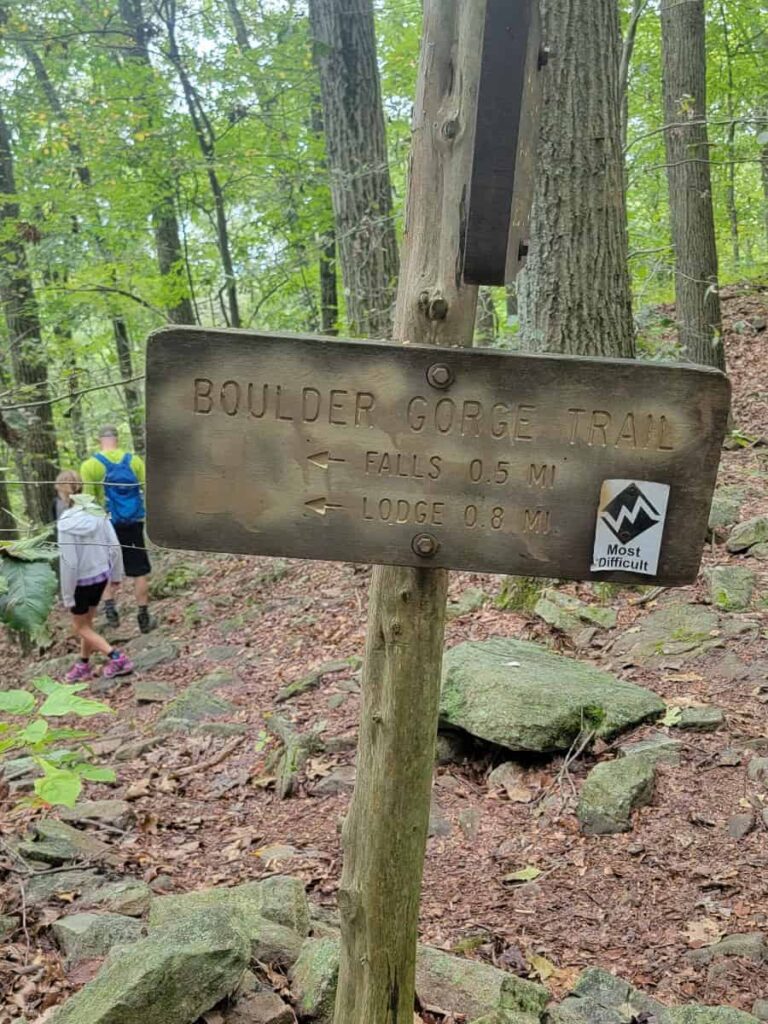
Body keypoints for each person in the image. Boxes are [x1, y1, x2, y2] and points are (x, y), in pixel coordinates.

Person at [56, 472, 134, 682]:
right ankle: (83, 663)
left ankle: (117, 658)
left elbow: (69, 562)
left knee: (79, 627)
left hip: (80, 583)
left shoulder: (65, 522)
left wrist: (67, 595)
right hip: (100, 577)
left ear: (63, 491)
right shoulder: (97, 512)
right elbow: (115, 546)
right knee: (87, 625)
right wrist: (116, 574)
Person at [80, 426, 156, 634]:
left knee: (105, 567)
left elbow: (88, 500)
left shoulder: (90, 465)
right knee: (139, 570)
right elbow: (147, 488)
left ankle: (111, 609)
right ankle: (143, 616)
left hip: (107, 523)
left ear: (99, 440)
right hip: (133, 521)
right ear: (117, 439)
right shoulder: (134, 461)